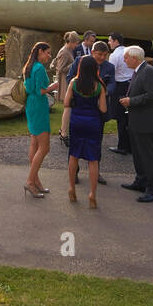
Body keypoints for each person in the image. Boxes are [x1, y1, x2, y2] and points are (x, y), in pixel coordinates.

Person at [119, 46, 153, 203]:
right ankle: (141, 181)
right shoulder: (140, 70)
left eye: (126, 57)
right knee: (138, 154)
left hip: (146, 122)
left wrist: (131, 101)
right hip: (137, 120)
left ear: (134, 57)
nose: (124, 60)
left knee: (148, 156)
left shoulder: (148, 71)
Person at [65, 55, 109, 209]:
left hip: (77, 121)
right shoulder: (99, 86)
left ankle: (71, 187)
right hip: (93, 123)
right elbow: (103, 109)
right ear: (94, 68)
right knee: (93, 159)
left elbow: (66, 103)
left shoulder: (74, 82)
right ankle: (92, 193)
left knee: (74, 155)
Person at [69, 42, 113, 185]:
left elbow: (113, 83)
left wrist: (105, 91)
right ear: (92, 52)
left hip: (97, 114)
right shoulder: (79, 61)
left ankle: (96, 173)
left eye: (105, 55)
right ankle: (74, 173)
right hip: (80, 110)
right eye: (99, 54)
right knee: (74, 147)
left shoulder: (109, 67)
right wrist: (80, 90)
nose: (102, 58)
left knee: (96, 145)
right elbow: (70, 77)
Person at [22, 42, 57, 198]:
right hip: (39, 106)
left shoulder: (29, 66)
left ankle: (36, 181)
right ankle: (30, 180)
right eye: (48, 53)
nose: (49, 56)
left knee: (35, 143)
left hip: (31, 105)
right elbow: (42, 90)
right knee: (44, 147)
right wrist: (55, 85)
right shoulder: (40, 68)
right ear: (40, 51)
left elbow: (33, 89)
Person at [106, 33, 132, 155]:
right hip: (131, 85)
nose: (109, 43)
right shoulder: (129, 51)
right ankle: (131, 145)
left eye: (110, 40)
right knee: (129, 117)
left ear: (116, 41)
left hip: (120, 86)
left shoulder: (114, 55)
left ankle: (123, 146)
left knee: (121, 118)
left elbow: (111, 72)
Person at [52, 31, 79, 145]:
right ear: (71, 42)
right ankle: (64, 133)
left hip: (67, 81)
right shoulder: (64, 52)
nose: (77, 45)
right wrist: (75, 64)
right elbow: (60, 69)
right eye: (76, 43)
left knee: (69, 108)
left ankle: (64, 131)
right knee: (68, 108)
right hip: (64, 82)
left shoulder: (68, 51)